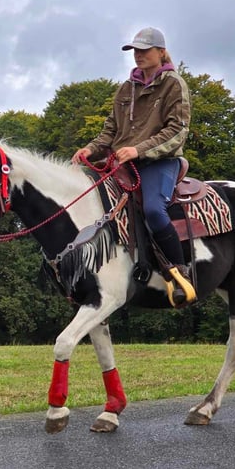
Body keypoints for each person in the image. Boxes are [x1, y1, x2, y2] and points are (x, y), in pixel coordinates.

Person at [71, 26, 196, 307]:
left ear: (160, 52)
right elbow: (111, 129)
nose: (138, 55)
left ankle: (180, 270)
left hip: (160, 161)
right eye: (135, 51)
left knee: (153, 209)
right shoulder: (126, 88)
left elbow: (178, 129)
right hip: (121, 163)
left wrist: (138, 149)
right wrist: (91, 149)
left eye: (144, 50)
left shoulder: (173, 84)